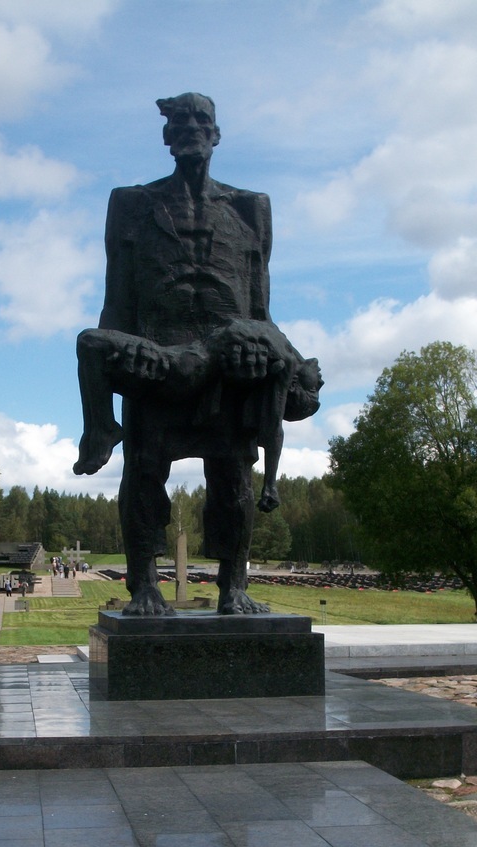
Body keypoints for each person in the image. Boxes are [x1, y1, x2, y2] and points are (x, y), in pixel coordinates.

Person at [74, 92, 322, 615]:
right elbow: (115, 299)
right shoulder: (131, 204)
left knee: (233, 478)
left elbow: (260, 307)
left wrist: (291, 363)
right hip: (158, 363)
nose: (190, 127)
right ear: (166, 137)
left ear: (216, 133)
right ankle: (144, 584)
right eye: (179, 121)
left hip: (230, 372)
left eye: (200, 119)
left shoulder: (251, 208)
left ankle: (234, 586)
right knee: (142, 470)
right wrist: (117, 363)